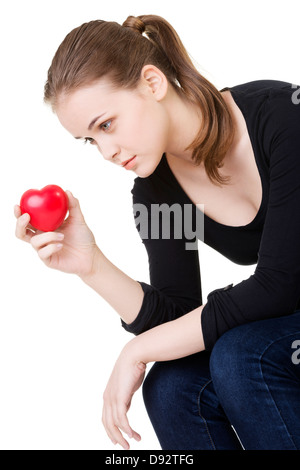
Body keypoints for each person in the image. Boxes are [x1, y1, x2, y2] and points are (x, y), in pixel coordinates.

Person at [14, 14, 300, 451]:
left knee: (245, 356)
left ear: (152, 82)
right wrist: (91, 265)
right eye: (90, 140)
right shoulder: (158, 193)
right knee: (172, 385)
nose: (106, 152)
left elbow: (279, 285)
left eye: (105, 125)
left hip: (284, 322)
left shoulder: (282, 115)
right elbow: (178, 319)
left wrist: (136, 350)